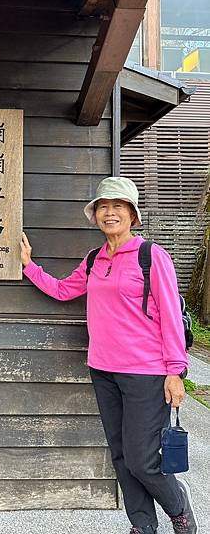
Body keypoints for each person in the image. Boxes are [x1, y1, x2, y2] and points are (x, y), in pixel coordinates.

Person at [20, 176, 198, 534]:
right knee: (120, 457)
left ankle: (179, 507)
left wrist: (176, 371)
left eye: (118, 206)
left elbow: (169, 316)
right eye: (103, 206)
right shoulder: (94, 260)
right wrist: (28, 265)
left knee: (143, 461)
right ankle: (143, 526)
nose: (110, 212)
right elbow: (62, 290)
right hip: (102, 369)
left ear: (132, 215)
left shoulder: (151, 256)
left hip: (147, 373)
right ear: (96, 215)